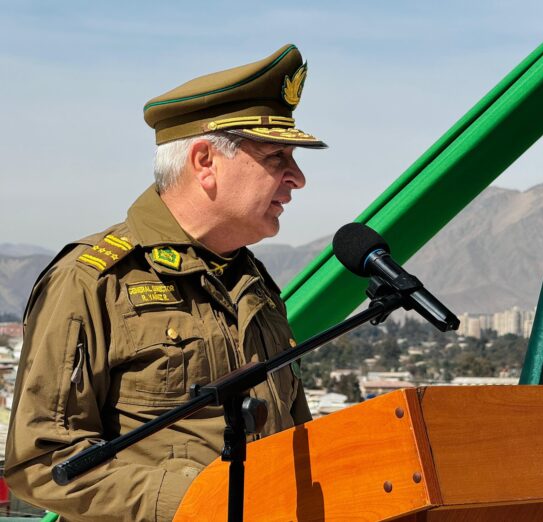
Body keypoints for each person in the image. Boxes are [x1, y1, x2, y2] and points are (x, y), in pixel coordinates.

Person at [5, 43, 326, 521]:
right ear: (205, 161)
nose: (297, 178)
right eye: (277, 156)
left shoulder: (252, 283)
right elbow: (43, 461)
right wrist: (206, 502)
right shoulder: (92, 281)